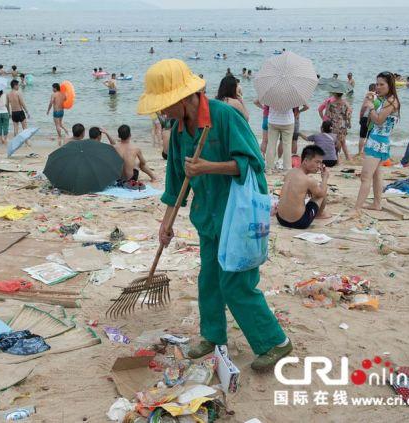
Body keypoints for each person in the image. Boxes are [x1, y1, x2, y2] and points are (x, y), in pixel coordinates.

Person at [138, 59, 291, 372]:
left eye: (165, 106)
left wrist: (209, 167)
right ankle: (212, 335)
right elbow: (176, 183)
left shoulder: (224, 117)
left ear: (182, 99)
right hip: (207, 216)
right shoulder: (180, 131)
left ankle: (276, 342)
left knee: (236, 283)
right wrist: (166, 224)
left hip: (237, 217)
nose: (163, 114)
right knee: (208, 278)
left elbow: (253, 164)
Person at [355, 72, 400, 211]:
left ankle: (356, 208)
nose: (378, 87)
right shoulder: (385, 99)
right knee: (376, 174)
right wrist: (369, 101)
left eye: (382, 84)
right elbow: (370, 118)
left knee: (365, 176)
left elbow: (379, 120)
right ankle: (376, 204)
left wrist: (371, 106)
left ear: (390, 85)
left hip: (378, 142)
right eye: (377, 84)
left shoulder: (391, 101)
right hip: (377, 140)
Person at [276, 145, 331, 229]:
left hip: (280, 219)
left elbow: (295, 187)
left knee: (312, 192)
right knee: (322, 194)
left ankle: (318, 213)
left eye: (321, 163)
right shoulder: (308, 180)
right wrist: (325, 178)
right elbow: (322, 193)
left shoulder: (290, 172)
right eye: (317, 162)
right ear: (305, 161)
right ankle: (320, 214)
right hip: (299, 222)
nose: (319, 166)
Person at [326, 91, 352, 160]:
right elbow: (348, 115)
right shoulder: (346, 103)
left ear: (335, 94)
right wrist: (349, 123)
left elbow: (327, 115)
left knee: (335, 142)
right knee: (343, 142)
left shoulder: (331, 104)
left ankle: (336, 158)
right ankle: (348, 158)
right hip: (342, 125)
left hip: (333, 125)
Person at [267, 106, 295, 171]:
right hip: (288, 121)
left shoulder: (271, 95)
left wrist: (263, 108)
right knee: (287, 146)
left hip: (273, 120)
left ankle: (269, 168)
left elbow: (256, 102)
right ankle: (287, 168)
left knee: (271, 145)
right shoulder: (291, 96)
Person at [358, 83, 377, 155]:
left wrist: (360, 117)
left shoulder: (368, 96)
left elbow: (364, 107)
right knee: (369, 136)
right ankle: (366, 151)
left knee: (362, 136)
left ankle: (360, 152)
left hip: (365, 117)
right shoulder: (377, 96)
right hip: (373, 117)